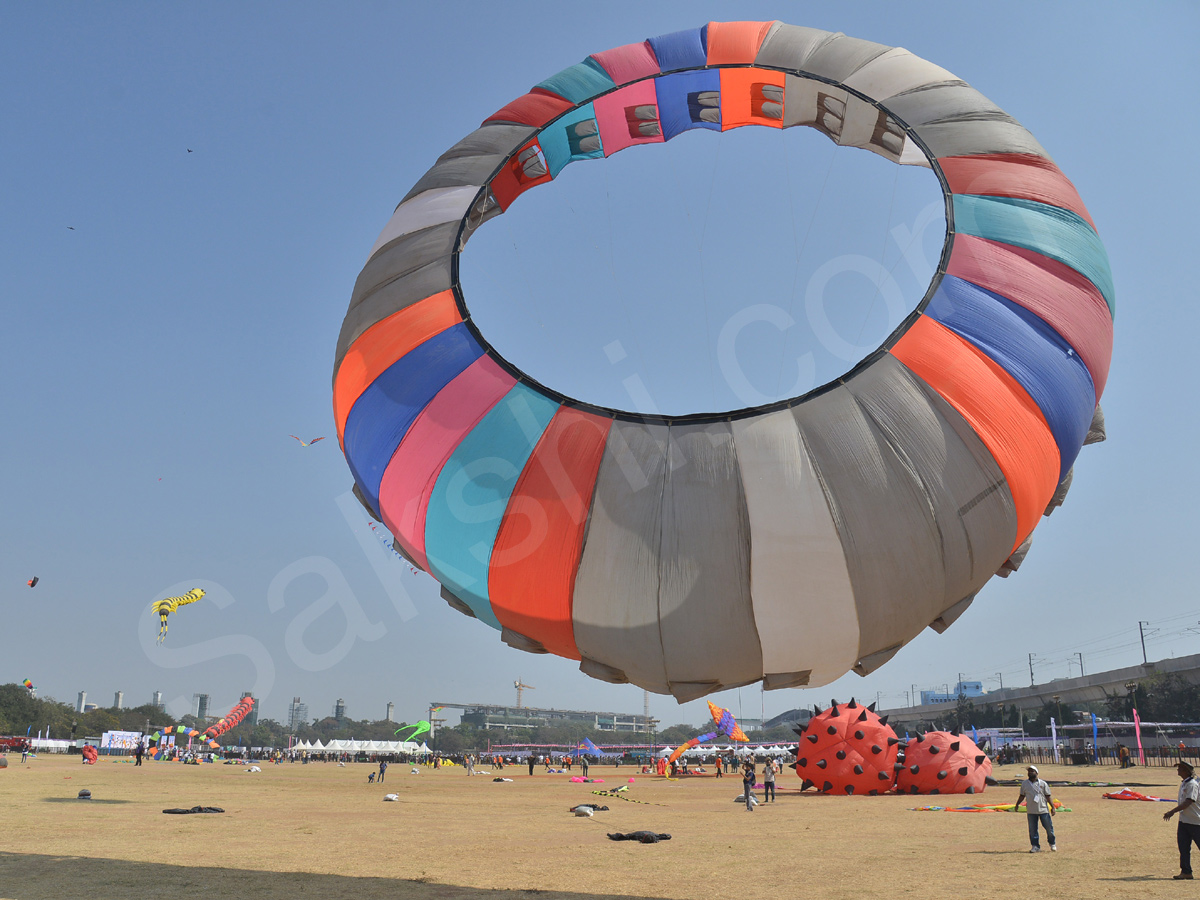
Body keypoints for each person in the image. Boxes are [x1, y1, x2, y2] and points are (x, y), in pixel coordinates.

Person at [1164, 760, 1200, 879]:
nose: (1178, 770)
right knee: (1183, 847)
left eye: (1179, 768)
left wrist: (1172, 811)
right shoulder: (1185, 783)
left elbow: (1189, 801)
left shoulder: (1192, 784)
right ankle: (1186, 871)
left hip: (1195, 821)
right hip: (1184, 821)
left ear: (1185, 771)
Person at [1014, 765, 1056, 852]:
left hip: (1043, 809)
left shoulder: (1043, 783)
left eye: (1032, 771)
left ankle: (1052, 843)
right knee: (1033, 830)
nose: (1030, 773)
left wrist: (1053, 807)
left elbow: (1048, 796)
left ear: (1036, 773)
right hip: (1031, 810)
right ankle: (1035, 846)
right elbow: (1022, 795)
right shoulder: (1025, 784)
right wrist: (1017, 804)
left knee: (1049, 828)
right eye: (1029, 771)